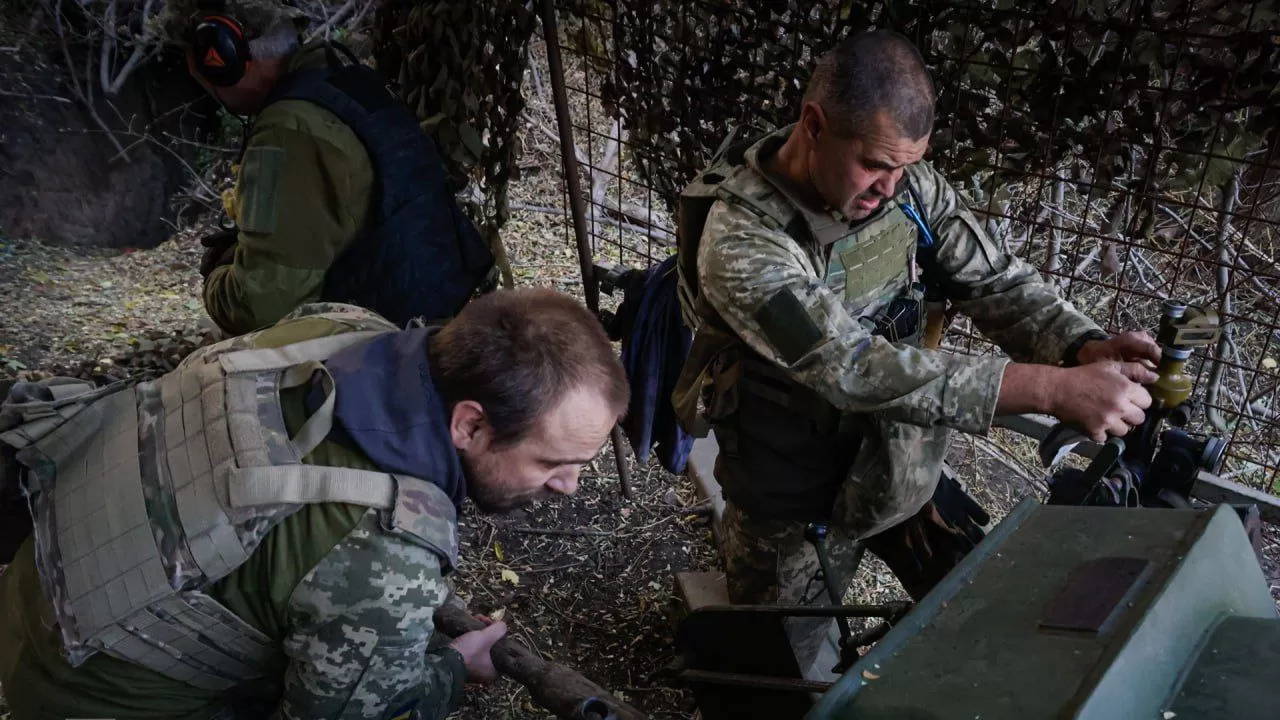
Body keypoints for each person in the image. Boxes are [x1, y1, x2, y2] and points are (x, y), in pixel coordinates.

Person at [671, 29, 1162, 677]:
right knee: (777, 671)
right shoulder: (742, 243)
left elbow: (994, 280)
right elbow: (853, 368)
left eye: (906, 165)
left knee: (981, 618)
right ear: (814, 125)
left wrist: (1081, 345)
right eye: (875, 164)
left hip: (898, 465)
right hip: (792, 495)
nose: (891, 186)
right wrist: (1049, 389)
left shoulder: (907, 186)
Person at [0, 288, 629, 719]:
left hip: (48, 589)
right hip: (86, 693)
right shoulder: (384, 560)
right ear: (470, 425)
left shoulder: (337, 329)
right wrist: (451, 672)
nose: (569, 485)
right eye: (553, 462)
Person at [161, 0, 496, 336]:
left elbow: (260, 307)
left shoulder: (291, 130)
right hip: (432, 319)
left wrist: (217, 276)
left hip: (390, 347)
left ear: (221, 57)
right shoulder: (347, 83)